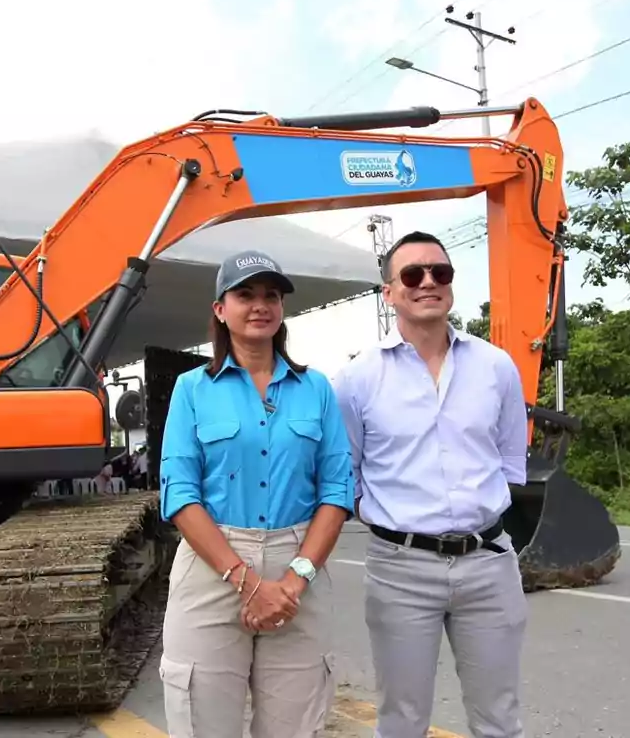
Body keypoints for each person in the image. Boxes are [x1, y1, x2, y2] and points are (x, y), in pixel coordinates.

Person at [332, 231, 530, 738]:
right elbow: (347, 472)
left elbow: (510, 460)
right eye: (412, 274)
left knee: (499, 718)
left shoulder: (495, 367)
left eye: (439, 273)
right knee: (401, 719)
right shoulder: (359, 378)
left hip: (488, 563)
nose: (427, 283)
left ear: (451, 285)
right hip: (400, 569)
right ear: (389, 291)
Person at [157, 249, 354, 738]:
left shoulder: (316, 389)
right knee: (202, 723)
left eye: (271, 295)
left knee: (295, 727)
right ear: (221, 309)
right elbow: (180, 494)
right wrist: (248, 582)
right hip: (213, 566)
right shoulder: (192, 389)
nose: (259, 305)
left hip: (298, 566)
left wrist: (293, 582)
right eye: (244, 294)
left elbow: (336, 490)